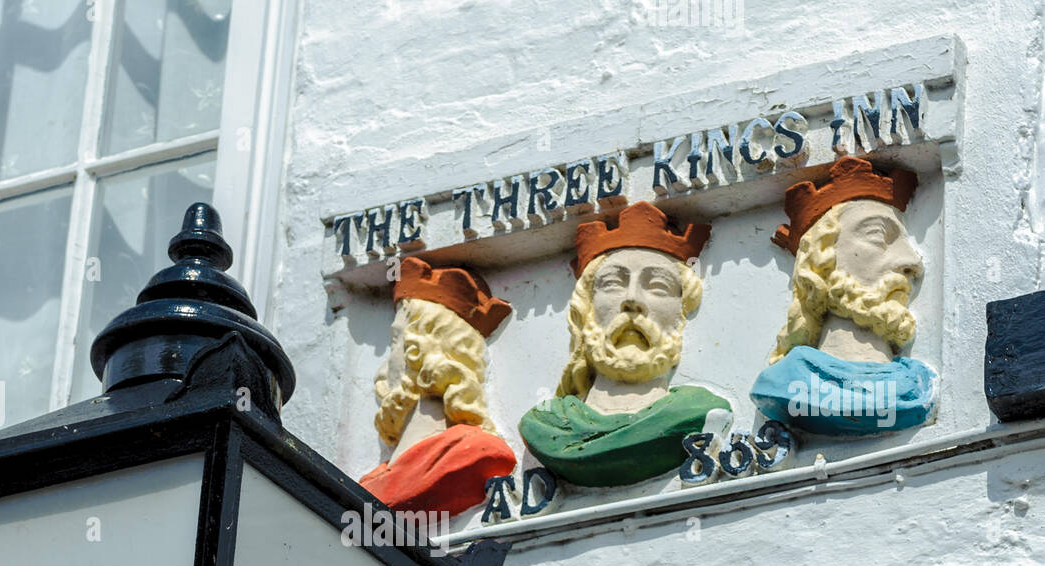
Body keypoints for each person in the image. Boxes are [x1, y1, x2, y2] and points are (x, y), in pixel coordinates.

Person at [519, 202, 731, 488]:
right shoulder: (546, 425)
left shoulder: (700, 412)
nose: (632, 299)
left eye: (657, 285)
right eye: (612, 284)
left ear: (681, 313)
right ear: (587, 309)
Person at [749, 155, 936, 436]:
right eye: (877, 235)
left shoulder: (918, 385)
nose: (912, 262)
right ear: (820, 262)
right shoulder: (788, 384)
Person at [360, 258, 516, 517]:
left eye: (395, 340)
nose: (385, 366)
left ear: (424, 351)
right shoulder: (368, 487)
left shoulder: (476, 453)